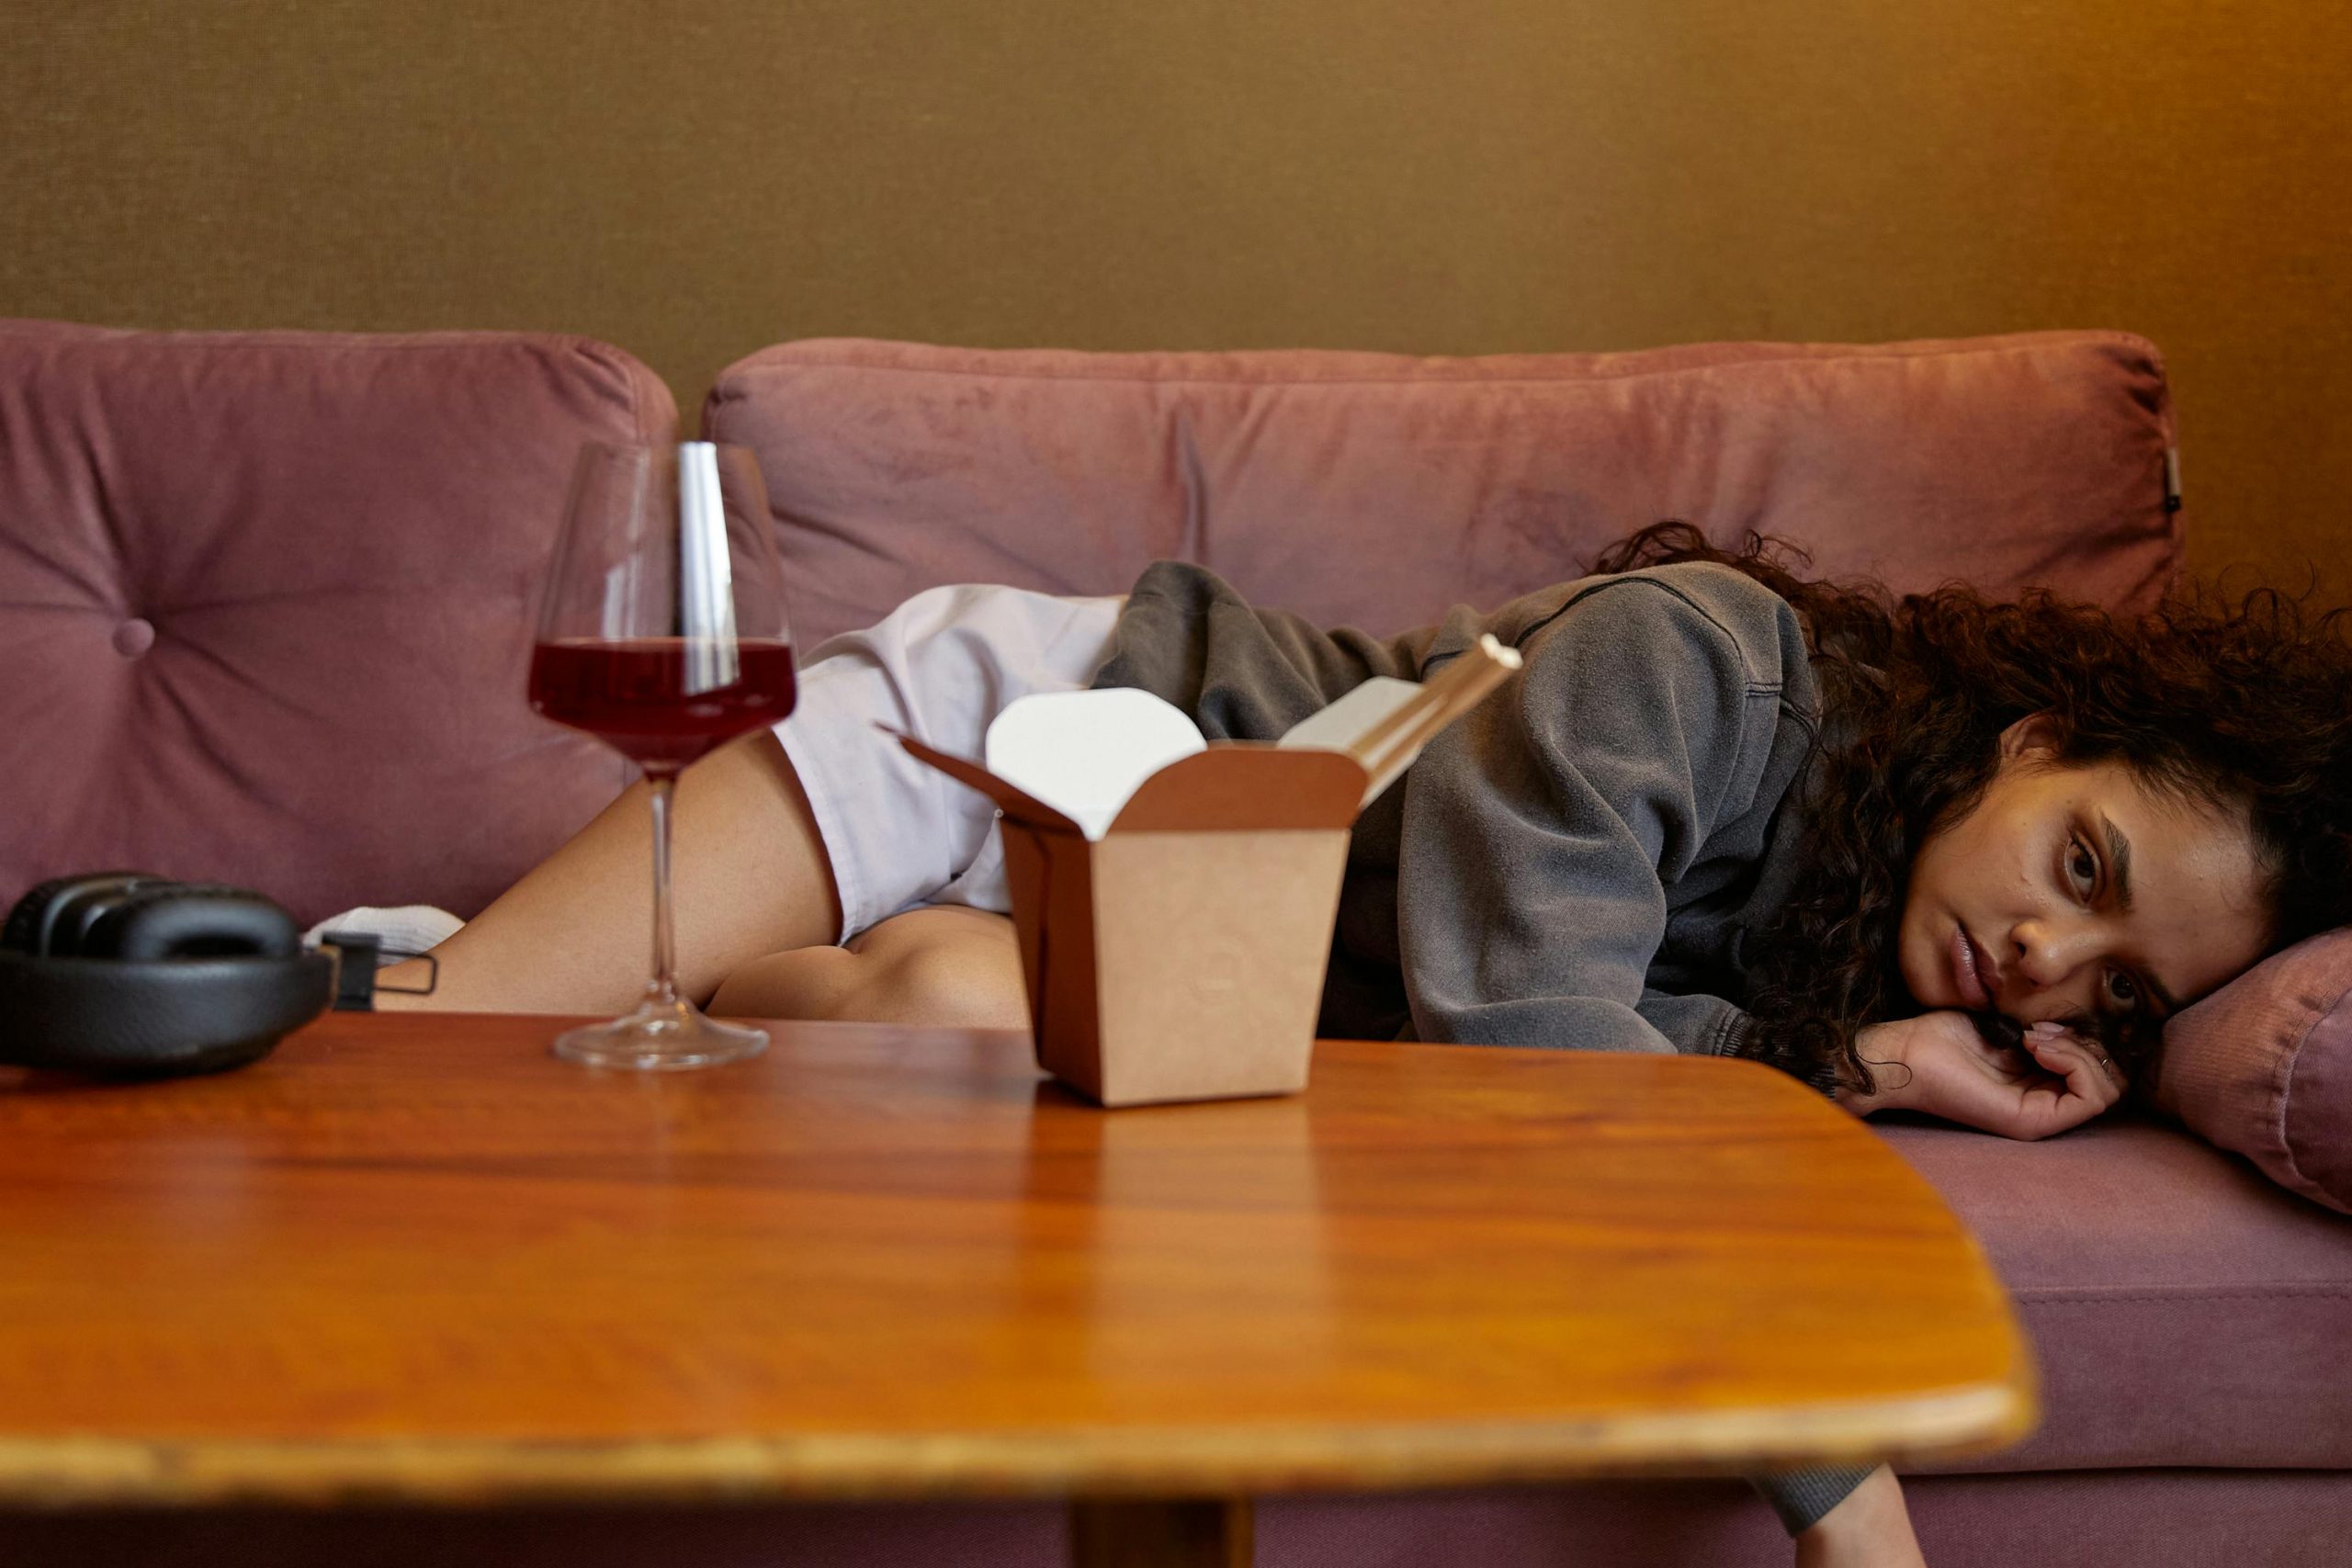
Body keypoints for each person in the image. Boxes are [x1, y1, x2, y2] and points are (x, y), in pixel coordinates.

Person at [376, 523, 2352, 1565]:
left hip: (1124, 974)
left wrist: (1871, 1060)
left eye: (2109, 987)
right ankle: (374, 963)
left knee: (951, 1028)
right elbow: (1524, 1068)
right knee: (426, 1066)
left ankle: (795, 980)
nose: (2036, 952)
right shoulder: (1695, 655)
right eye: (2079, 860)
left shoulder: (1855, 941)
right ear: (2030, 738)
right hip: (1025, 756)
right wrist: (1838, 1486)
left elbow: (1479, 1027)